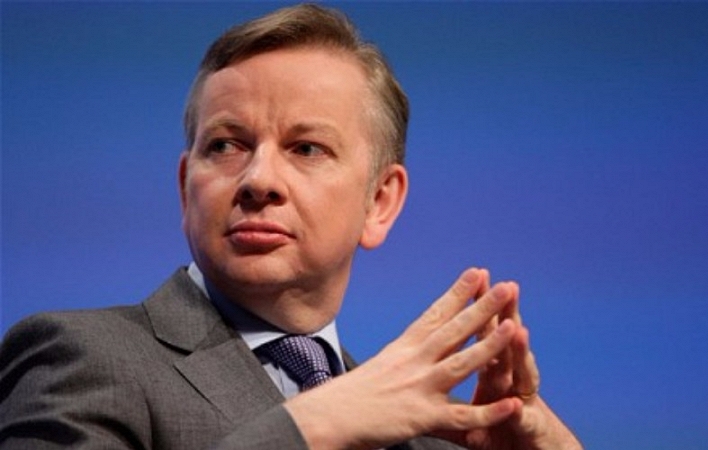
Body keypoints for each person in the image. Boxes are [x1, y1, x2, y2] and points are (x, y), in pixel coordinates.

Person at [0, 4, 582, 449]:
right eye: (225, 145)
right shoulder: (80, 357)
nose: (258, 179)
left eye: (306, 148)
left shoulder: (424, 436)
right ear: (185, 186)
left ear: (380, 201)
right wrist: (315, 425)